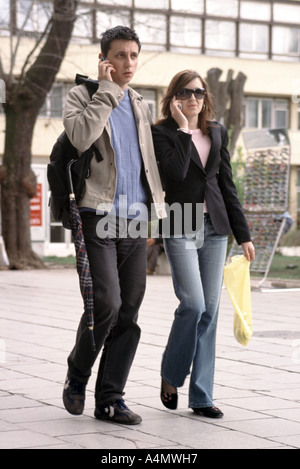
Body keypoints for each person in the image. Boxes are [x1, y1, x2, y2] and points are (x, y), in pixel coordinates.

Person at [62, 25, 165, 425]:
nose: (128, 63)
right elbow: (81, 137)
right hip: (97, 213)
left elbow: (146, 164)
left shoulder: (141, 103)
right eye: (119, 55)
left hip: (135, 219)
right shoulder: (82, 95)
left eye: (134, 55)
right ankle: (78, 372)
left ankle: (110, 398)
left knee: (130, 311)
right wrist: (106, 93)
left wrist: (156, 211)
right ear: (104, 59)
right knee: (106, 303)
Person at [152, 70, 255, 419]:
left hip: (215, 228)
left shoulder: (218, 132)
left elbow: (227, 184)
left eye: (198, 91)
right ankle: (171, 374)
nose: (193, 97)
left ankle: (201, 396)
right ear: (173, 97)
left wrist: (243, 234)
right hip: (180, 221)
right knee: (193, 305)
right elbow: (176, 174)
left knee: (210, 312)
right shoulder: (161, 132)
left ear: (205, 96)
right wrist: (182, 129)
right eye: (184, 92)